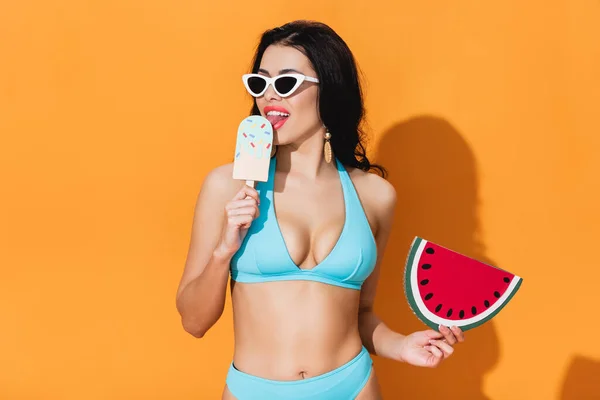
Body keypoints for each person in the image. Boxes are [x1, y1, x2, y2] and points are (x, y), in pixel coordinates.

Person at [175, 20, 465, 400]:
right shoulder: (227, 185)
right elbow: (193, 322)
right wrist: (223, 251)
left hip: (353, 387)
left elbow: (360, 315)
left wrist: (402, 346)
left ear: (329, 91)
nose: (269, 98)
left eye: (286, 83)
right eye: (260, 83)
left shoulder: (375, 196)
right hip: (254, 392)